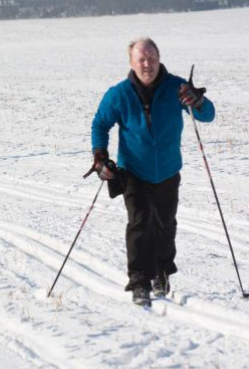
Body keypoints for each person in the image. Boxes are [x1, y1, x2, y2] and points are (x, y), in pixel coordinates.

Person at [90, 37, 216, 307]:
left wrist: (198, 100)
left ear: (159, 58)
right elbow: (100, 124)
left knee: (165, 224)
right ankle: (139, 281)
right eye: (141, 59)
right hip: (133, 170)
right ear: (132, 62)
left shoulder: (176, 88)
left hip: (168, 170)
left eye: (151, 58)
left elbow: (208, 115)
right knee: (140, 223)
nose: (147, 64)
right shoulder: (119, 94)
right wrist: (100, 158)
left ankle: (161, 273)